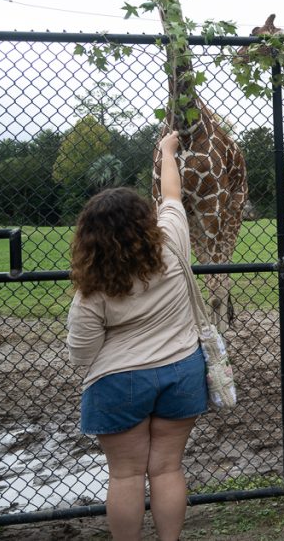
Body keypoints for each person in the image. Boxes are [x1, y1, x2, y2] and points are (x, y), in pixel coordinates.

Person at [67, 131, 206, 541]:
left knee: (126, 475)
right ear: (146, 220)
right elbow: (172, 194)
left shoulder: (91, 290)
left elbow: (81, 353)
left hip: (118, 381)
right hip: (182, 371)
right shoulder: (173, 242)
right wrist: (167, 152)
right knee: (167, 468)